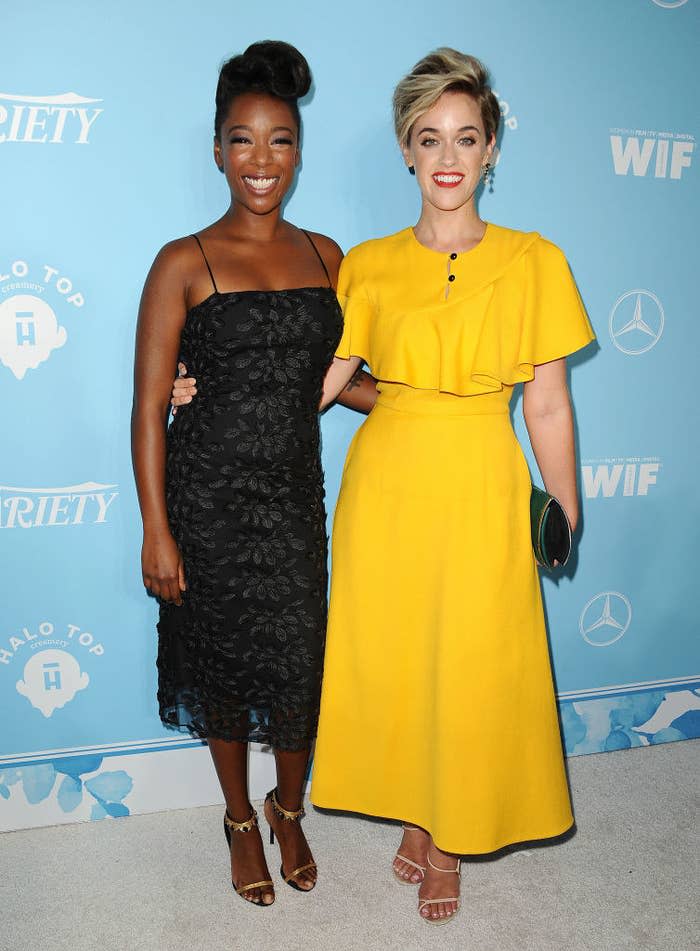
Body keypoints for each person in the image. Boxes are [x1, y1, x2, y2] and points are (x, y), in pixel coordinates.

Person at [172, 47, 595, 925]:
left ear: (491, 151)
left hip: (480, 472)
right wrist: (209, 383)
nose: (448, 156)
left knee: (473, 661)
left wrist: (563, 506)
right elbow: (318, 378)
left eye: (467, 138)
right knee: (400, 660)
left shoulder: (535, 260)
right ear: (406, 149)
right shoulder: (363, 263)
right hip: (387, 480)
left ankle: (449, 839)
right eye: (429, 137)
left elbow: (547, 404)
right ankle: (414, 812)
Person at [131, 40, 374, 909]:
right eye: (242, 140)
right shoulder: (181, 261)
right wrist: (158, 528)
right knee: (226, 669)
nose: (260, 160)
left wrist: (440, 391)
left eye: (278, 141)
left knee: (300, 664)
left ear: (299, 150)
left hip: (293, 502)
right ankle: (240, 817)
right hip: (208, 505)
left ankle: (288, 805)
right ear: (217, 149)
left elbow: (350, 384)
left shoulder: (329, 257)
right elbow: (147, 407)